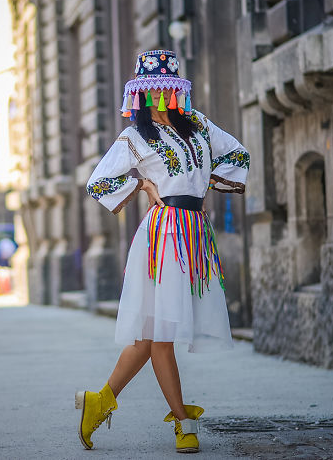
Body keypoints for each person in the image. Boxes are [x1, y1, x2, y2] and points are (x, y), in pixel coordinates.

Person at [76, 50, 249, 453]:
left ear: (177, 90)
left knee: (151, 335)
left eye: (166, 89)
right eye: (149, 90)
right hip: (164, 235)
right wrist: (141, 186)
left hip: (194, 232)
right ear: (139, 94)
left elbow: (237, 154)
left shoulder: (200, 126)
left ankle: (99, 402)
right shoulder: (135, 137)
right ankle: (184, 424)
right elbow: (98, 182)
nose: (158, 97)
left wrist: (206, 184)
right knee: (162, 335)